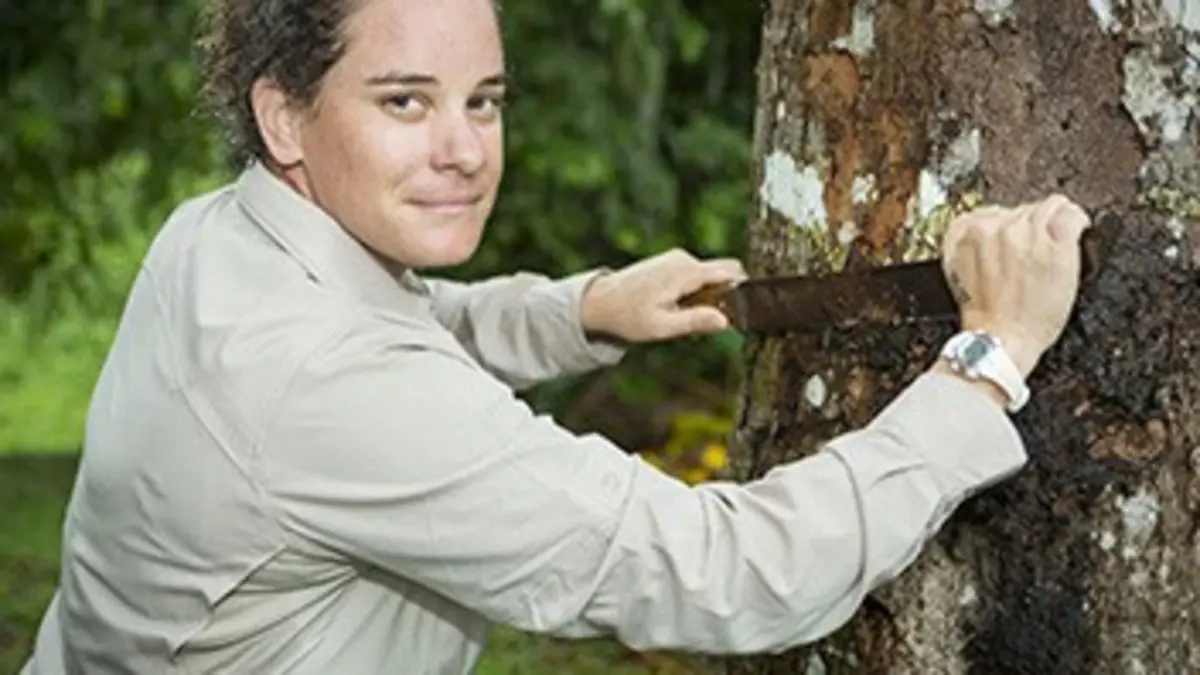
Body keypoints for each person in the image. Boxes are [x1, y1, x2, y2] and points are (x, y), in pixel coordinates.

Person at [21, 0, 1091, 672]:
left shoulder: (215, 238)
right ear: (284, 117)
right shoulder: (333, 388)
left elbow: (403, 325)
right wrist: (986, 362)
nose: (464, 150)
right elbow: (723, 572)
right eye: (405, 102)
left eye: (483, 101)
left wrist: (580, 310)